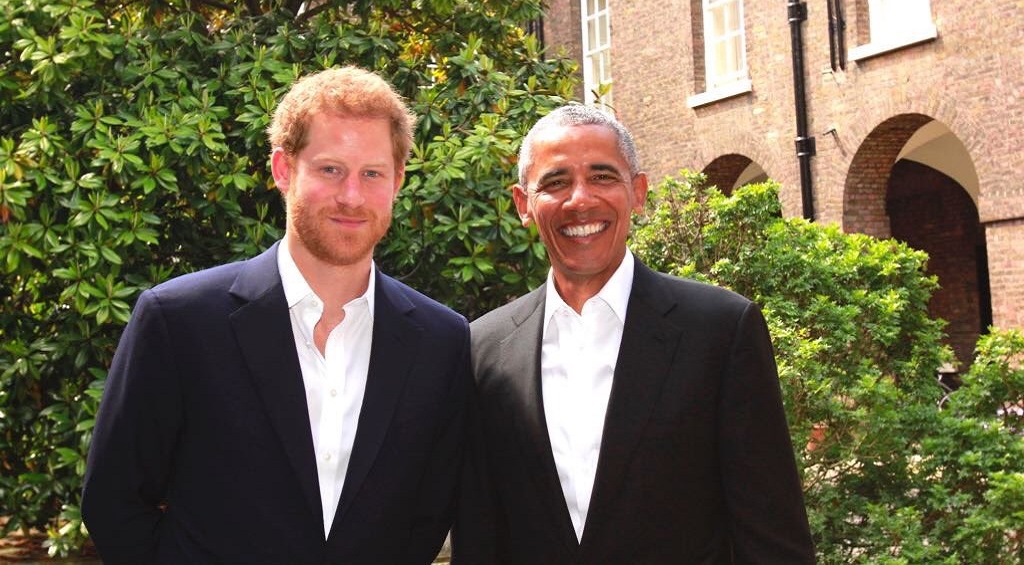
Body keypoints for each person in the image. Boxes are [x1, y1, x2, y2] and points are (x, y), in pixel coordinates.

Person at [82, 66, 471, 564]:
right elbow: (115, 500)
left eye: (371, 173)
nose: (352, 196)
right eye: (330, 169)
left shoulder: (441, 340)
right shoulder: (179, 321)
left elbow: (428, 513)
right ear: (284, 170)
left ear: (397, 180)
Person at [452, 104, 815, 563]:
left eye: (603, 177)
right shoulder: (484, 349)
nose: (580, 199)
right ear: (524, 204)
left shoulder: (720, 331)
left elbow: (773, 539)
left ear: (638, 192)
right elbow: (481, 538)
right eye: (556, 182)